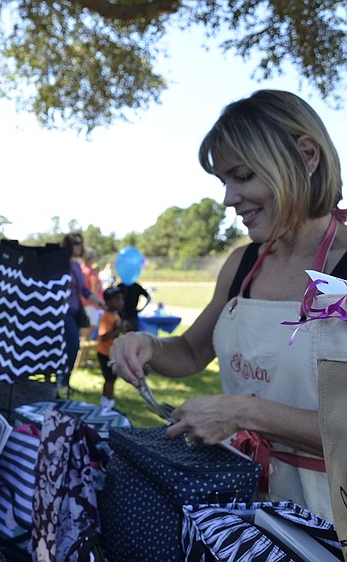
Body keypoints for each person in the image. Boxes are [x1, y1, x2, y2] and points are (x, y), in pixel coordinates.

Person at [110, 90, 347, 520]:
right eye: (223, 181)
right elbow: (193, 351)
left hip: (333, 516)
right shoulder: (242, 264)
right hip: (244, 511)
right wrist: (145, 345)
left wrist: (243, 411)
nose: (228, 199)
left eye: (241, 176)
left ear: (307, 156)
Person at [59, 232, 105, 395]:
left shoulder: (77, 266)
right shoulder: (61, 264)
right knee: (71, 345)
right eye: (75, 243)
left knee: (73, 346)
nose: (79, 246)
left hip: (76, 312)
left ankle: (65, 380)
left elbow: (84, 290)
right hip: (64, 312)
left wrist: (100, 302)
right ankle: (61, 380)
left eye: (80, 243)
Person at [96, 286, 125, 410]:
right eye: (117, 300)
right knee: (110, 379)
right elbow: (103, 336)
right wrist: (118, 330)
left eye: (121, 300)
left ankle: (107, 402)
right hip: (105, 353)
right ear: (108, 302)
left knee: (112, 379)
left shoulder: (115, 315)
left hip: (111, 352)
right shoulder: (106, 317)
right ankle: (107, 404)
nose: (120, 303)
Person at [81, 246, 104, 325]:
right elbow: (95, 287)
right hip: (92, 305)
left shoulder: (81, 269)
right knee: (92, 328)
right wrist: (98, 303)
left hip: (82, 304)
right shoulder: (91, 272)